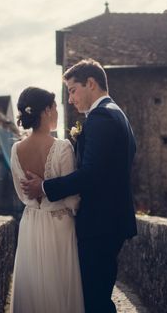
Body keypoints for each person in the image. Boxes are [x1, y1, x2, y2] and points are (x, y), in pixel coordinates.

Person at [21, 59, 137, 313]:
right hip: (111, 221)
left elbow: (91, 174)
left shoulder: (101, 117)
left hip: (100, 223)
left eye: (73, 90)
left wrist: (44, 187)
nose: (70, 99)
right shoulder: (117, 113)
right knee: (98, 296)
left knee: (95, 300)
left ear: (91, 84)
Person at [9, 87, 84, 313]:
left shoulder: (15, 149)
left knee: (34, 289)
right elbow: (72, 200)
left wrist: (40, 191)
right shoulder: (62, 147)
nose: (58, 113)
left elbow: (22, 194)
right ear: (47, 111)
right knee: (60, 287)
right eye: (56, 108)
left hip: (31, 223)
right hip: (59, 225)